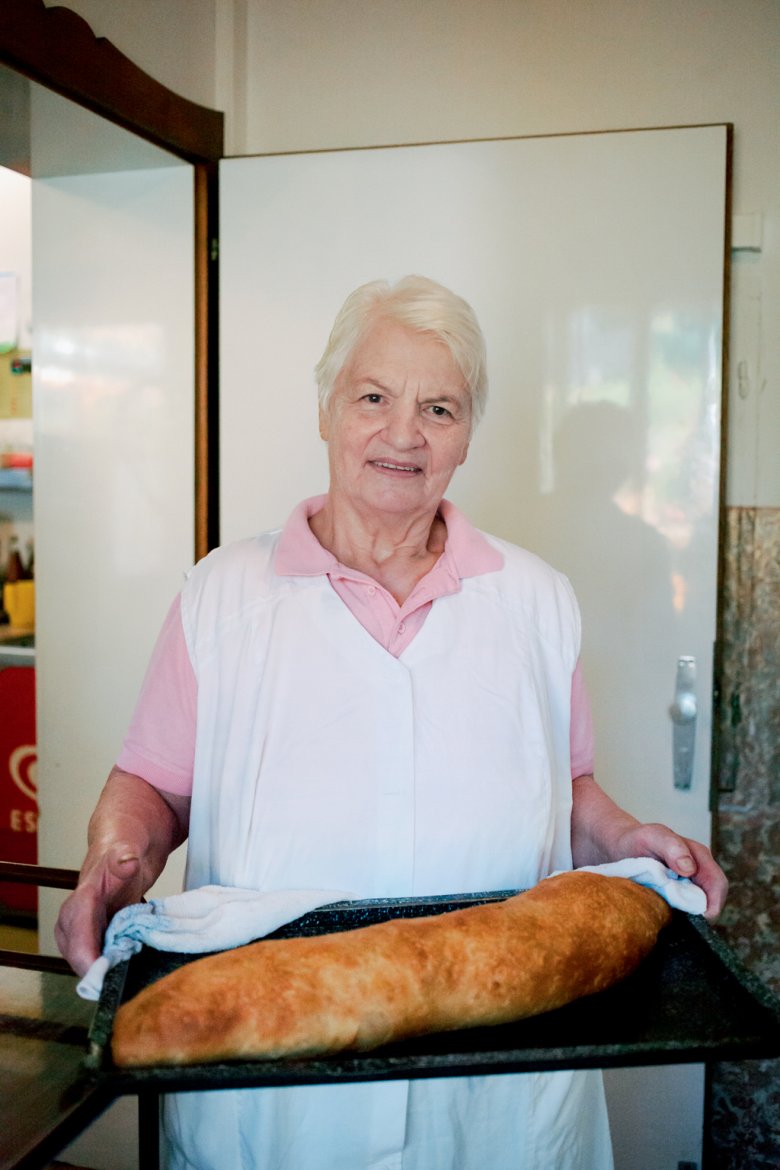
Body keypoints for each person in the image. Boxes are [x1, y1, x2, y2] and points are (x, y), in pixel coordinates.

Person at [56, 275, 727, 1170]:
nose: (403, 433)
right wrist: (116, 858)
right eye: (373, 397)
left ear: (467, 435)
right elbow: (150, 783)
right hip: (278, 1074)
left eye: (439, 407)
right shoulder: (221, 595)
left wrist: (627, 835)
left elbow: (567, 790)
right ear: (326, 409)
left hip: (496, 1086)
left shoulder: (535, 599)